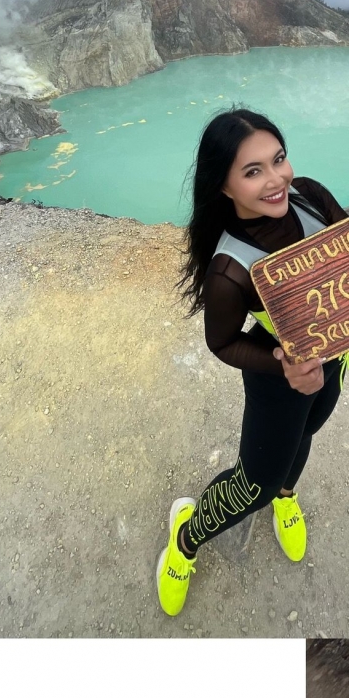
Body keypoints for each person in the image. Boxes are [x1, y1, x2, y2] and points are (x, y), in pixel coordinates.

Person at [156, 107, 348, 617]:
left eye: (277, 158)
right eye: (253, 170)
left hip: (332, 362)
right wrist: (281, 365)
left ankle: (287, 491)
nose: (275, 178)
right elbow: (222, 343)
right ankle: (187, 537)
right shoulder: (230, 270)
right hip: (279, 380)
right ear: (224, 186)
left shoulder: (308, 194)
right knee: (252, 484)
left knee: (310, 429)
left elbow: (343, 245)